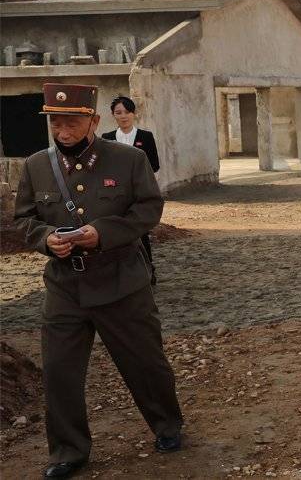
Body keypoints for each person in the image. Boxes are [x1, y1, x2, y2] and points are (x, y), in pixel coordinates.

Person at [14, 83, 183, 479]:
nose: (63, 131)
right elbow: (23, 219)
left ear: (93, 120)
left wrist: (103, 233)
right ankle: (68, 451)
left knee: (145, 362)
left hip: (122, 281)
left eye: (71, 122)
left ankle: (167, 426)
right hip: (65, 286)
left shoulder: (129, 160)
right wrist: (46, 239)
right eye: (56, 123)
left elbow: (149, 208)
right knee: (59, 371)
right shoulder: (37, 165)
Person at [101, 95, 160, 285]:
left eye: (127, 112)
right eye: (118, 112)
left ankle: (148, 270)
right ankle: (119, 274)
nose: (123, 116)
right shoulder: (107, 139)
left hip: (138, 193)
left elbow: (154, 165)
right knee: (116, 233)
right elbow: (103, 167)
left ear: (134, 114)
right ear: (113, 115)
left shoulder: (145, 137)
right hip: (115, 195)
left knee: (141, 232)